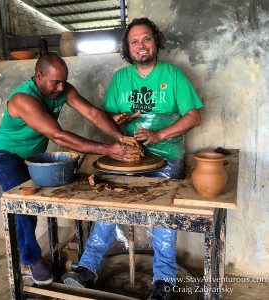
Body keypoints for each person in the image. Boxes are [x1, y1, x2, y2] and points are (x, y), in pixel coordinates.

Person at [63, 18, 204, 300]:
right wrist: (117, 120)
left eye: (147, 39)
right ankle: (87, 269)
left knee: (163, 216)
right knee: (109, 207)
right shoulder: (121, 79)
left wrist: (159, 135)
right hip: (127, 160)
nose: (142, 45)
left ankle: (164, 281)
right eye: (135, 41)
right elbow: (107, 120)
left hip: (166, 159)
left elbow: (194, 116)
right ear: (128, 48)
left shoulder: (173, 75)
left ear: (156, 42)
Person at [0, 52, 142, 286]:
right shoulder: (23, 99)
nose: (61, 87)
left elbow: (92, 113)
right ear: (39, 76)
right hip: (5, 157)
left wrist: (120, 138)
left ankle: (71, 253)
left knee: (66, 189)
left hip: (34, 157)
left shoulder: (63, 89)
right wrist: (108, 149)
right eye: (55, 82)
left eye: (63, 81)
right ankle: (31, 259)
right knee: (23, 203)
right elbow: (57, 135)